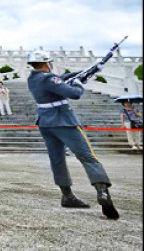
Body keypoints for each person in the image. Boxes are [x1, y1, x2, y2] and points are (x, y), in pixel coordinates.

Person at [26, 49, 118, 219]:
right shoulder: (49, 78)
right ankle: (102, 192)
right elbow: (74, 93)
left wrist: (88, 70)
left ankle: (67, 195)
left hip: (46, 123)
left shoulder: (33, 79)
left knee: (57, 160)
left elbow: (59, 79)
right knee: (88, 156)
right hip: (64, 122)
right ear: (47, 63)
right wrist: (78, 83)